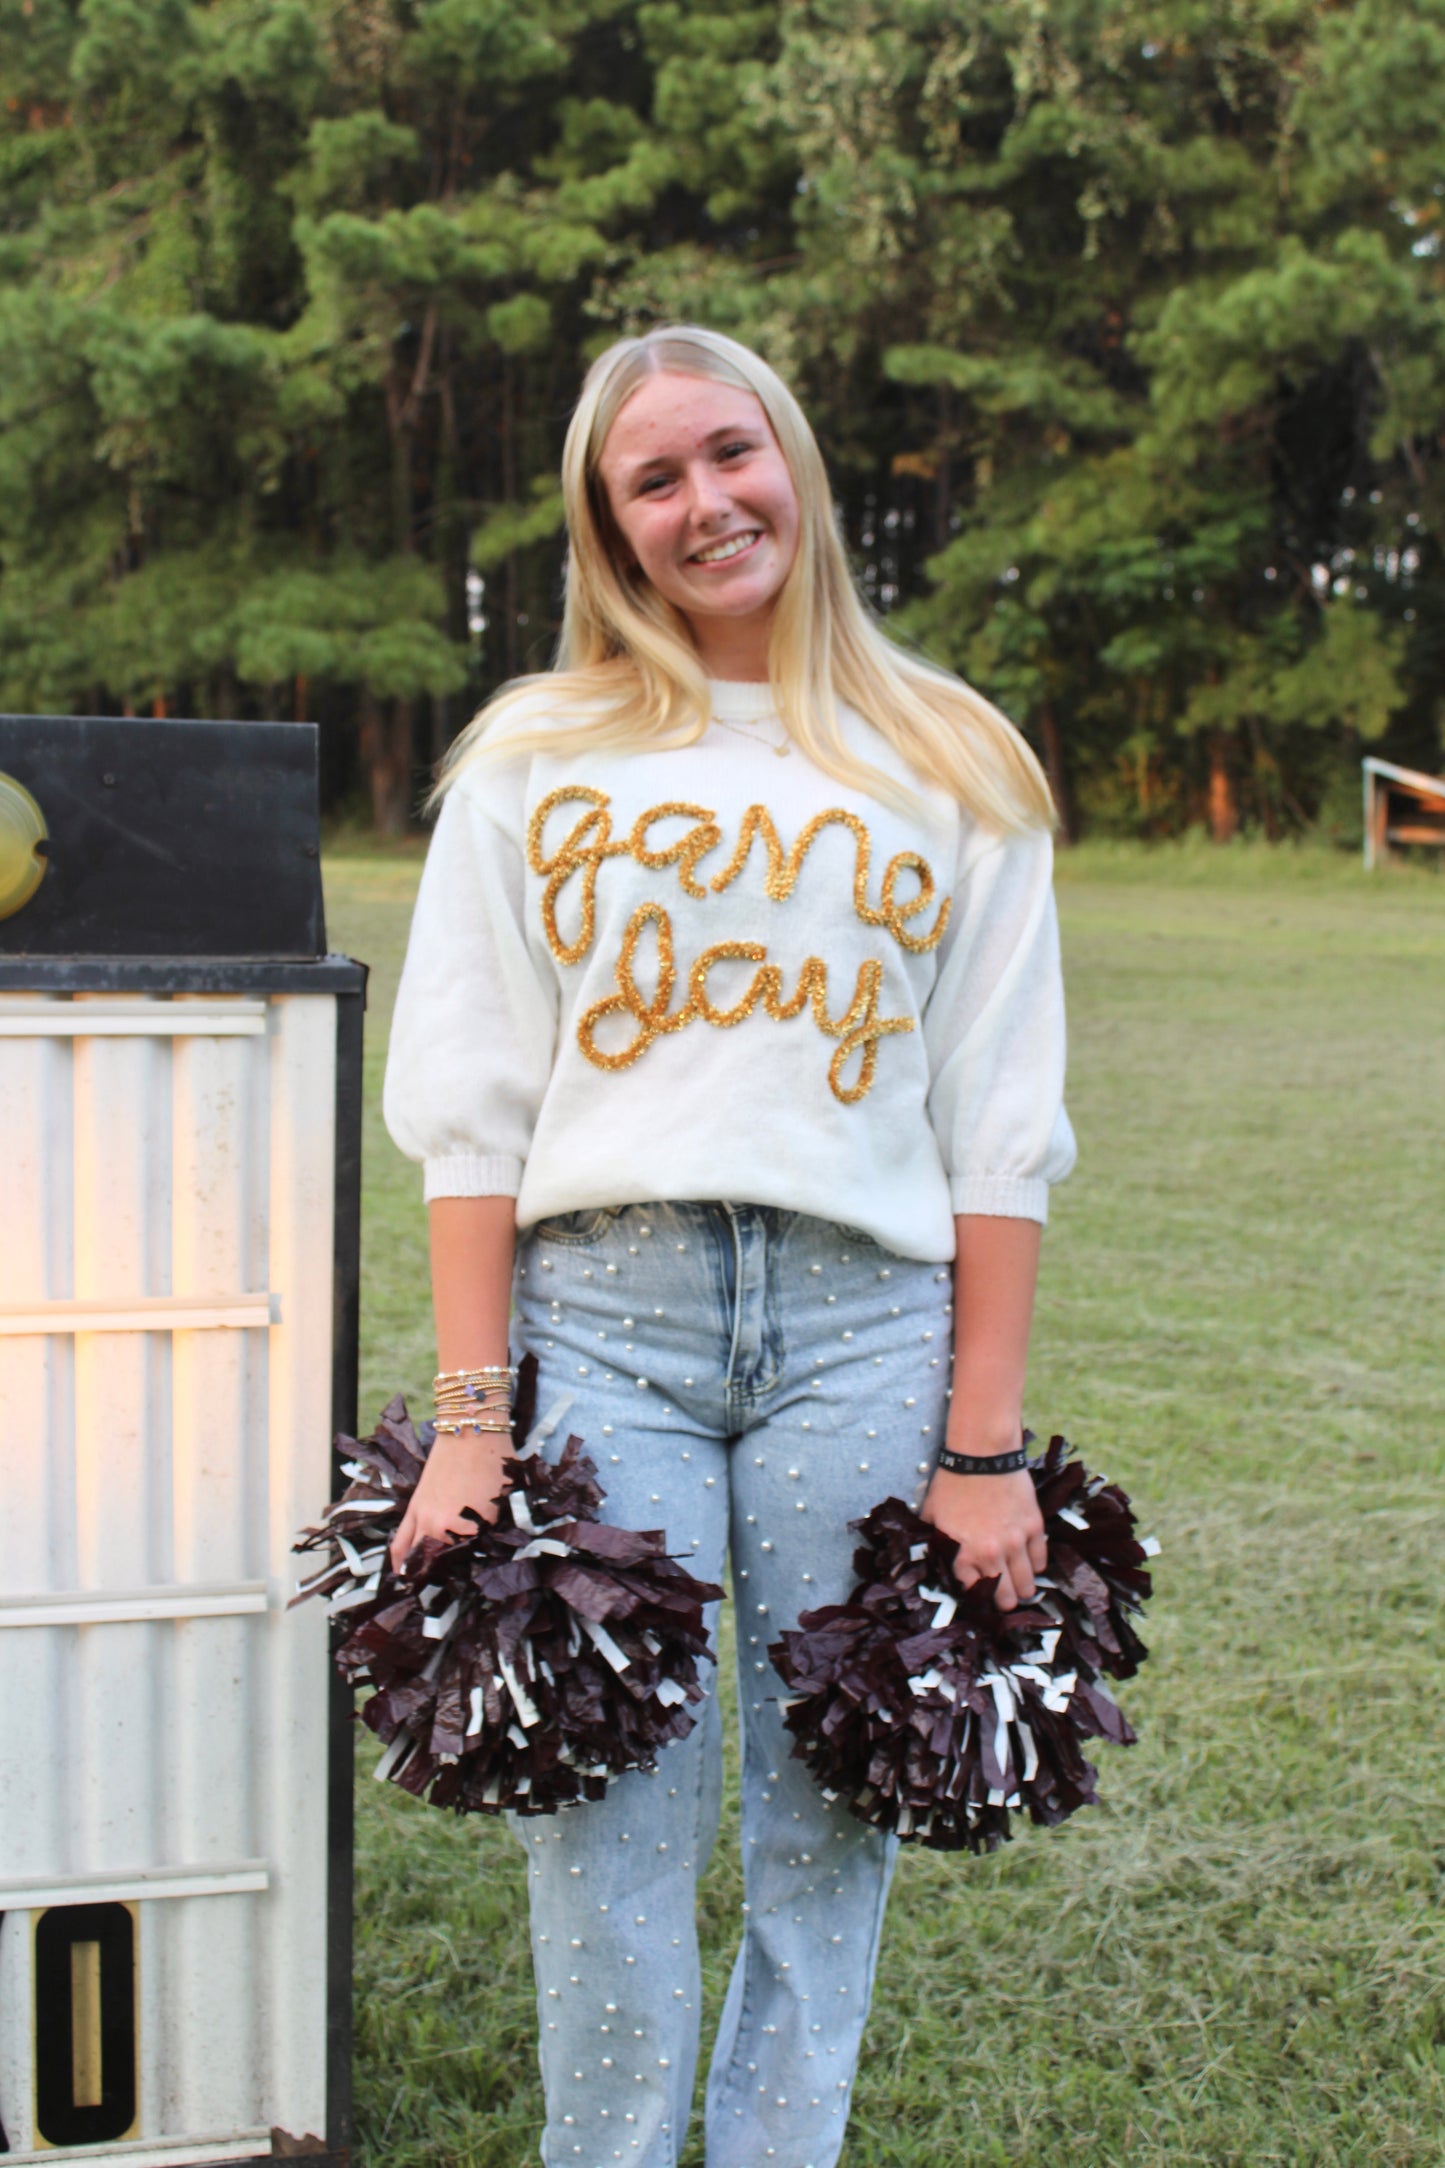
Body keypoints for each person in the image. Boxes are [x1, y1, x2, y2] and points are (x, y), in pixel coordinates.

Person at [381, 324, 1076, 2168]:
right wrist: (470, 1422)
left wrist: (982, 1448)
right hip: (602, 1326)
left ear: (796, 466)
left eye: (730, 453)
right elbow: (476, 1113)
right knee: (600, 1831)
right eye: (653, 480)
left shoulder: (952, 758)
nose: (707, 503)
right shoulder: (534, 761)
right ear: (609, 532)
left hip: (865, 1331)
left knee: (822, 1832)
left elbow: (995, 1132)